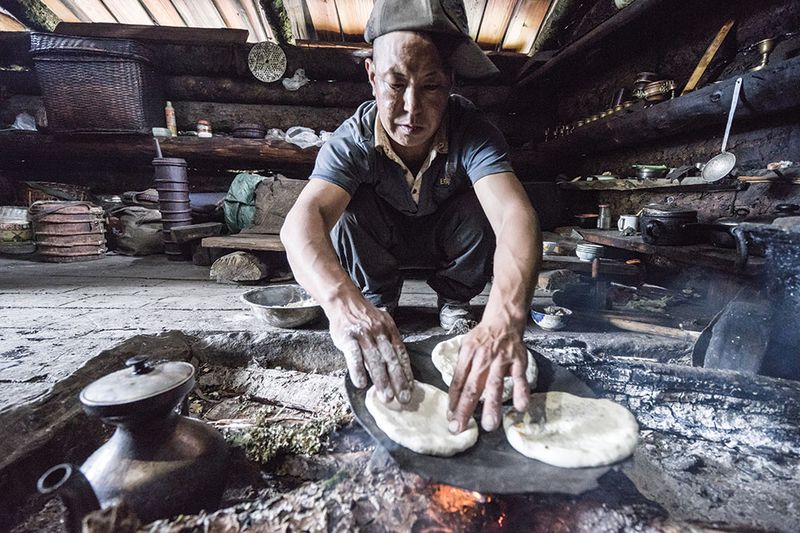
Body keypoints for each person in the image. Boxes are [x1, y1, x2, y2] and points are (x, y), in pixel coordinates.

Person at [281, 0, 541, 433]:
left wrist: (503, 319)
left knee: (484, 203)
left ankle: (456, 300)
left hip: (450, 240)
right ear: (371, 76)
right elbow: (300, 223)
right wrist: (343, 305)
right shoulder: (354, 139)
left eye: (432, 85)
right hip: (381, 242)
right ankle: (377, 303)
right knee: (344, 210)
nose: (411, 108)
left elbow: (516, 216)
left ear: (452, 82)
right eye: (395, 83)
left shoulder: (472, 131)